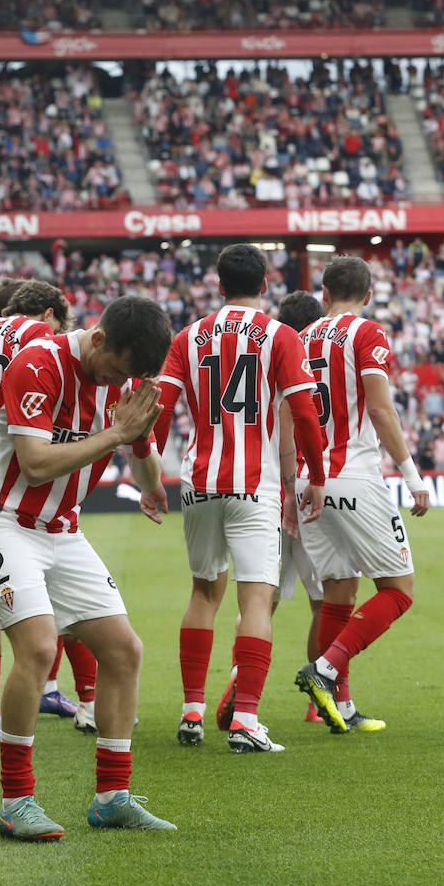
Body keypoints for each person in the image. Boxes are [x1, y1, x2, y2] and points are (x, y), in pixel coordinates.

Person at [0, 294, 177, 841]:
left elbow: (141, 440)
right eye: (116, 370)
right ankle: (16, 801)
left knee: (124, 649)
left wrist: (150, 489)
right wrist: (115, 435)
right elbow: (33, 465)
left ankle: (112, 797)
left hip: (60, 528)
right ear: (98, 339)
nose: (116, 383)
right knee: (36, 646)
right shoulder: (38, 362)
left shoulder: (126, 380)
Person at [154, 243, 326, 754]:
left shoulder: (188, 337)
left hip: (199, 479)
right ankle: (246, 719)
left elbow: (160, 409)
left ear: (219, 284)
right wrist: (314, 474)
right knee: (254, 599)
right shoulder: (281, 336)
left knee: (203, 592)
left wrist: (149, 480)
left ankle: (191, 712)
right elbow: (303, 413)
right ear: (266, 284)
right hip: (255, 484)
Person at [0, 279, 90, 746]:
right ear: (49, 314)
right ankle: (88, 702)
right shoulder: (44, 341)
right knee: (64, 590)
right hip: (23, 487)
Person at [294, 256, 430, 733]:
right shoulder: (367, 333)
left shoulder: (302, 336)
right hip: (351, 474)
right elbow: (380, 408)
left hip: (305, 480)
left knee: (338, 591)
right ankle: (326, 670)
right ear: (368, 296)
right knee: (398, 590)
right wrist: (413, 477)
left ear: (324, 293)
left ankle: (341, 707)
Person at [271, 290, 338, 724]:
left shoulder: (270, 363)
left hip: (271, 496)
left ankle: (238, 689)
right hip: (310, 491)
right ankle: (321, 697)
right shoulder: (325, 366)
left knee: (261, 601)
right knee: (324, 602)